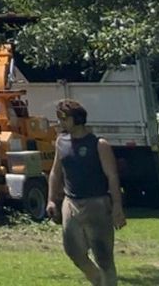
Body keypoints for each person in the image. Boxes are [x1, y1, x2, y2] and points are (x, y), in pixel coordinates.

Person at [47, 98, 125, 286]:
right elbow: (55, 172)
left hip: (97, 203)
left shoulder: (99, 144)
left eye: (64, 119)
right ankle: (97, 280)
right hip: (71, 203)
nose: (60, 123)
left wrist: (117, 207)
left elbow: (112, 177)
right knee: (72, 250)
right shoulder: (61, 142)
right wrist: (51, 199)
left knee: (104, 256)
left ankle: (108, 282)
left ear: (77, 119)